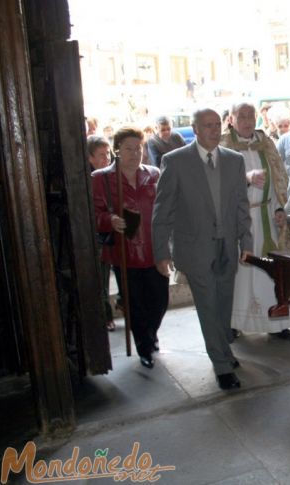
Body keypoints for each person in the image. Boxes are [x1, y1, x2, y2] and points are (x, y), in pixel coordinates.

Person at [152, 108, 253, 391]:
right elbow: (162, 211)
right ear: (194, 129)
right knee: (208, 306)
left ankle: (223, 349)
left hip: (228, 246)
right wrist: (161, 252)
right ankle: (222, 365)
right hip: (194, 249)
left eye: (217, 124)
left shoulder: (234, 161)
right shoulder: (175, 161)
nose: (213, 130)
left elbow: (241, 205)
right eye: (207, 125)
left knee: (223, 305)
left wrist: (246, 242)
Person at [92, 127, 169, 369]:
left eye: (139, 148)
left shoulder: (154, 174)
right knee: (135, 304)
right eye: (129, 148)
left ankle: (150, 332)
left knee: (160, 300)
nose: (135, 153)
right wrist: (110, 220)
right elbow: (93, 215)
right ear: (117, 150)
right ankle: (144, 347)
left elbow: (166, 208)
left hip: (155, 249)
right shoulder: (101, 179)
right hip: (125, 252)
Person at [219, 102, 290, 341]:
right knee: (240, 274)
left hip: (265, 216)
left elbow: (280, 178)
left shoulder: (266, 143)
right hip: (238, 220)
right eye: (241, 116)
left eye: (251, 115)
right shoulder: (223, 145)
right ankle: (233, 322)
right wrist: (246, 179)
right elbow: (217, 183)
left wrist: (281, 208)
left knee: (270, 270)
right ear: (231, 119)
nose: (247, 120)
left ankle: (276, 323)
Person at [87, 135, 115, 331]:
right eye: (101, 155)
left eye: (108, 154)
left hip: (114, 234)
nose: (106, 159)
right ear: (90, 158)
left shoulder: (109, 177)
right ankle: (106, 316)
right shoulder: (89, 180)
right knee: (100, 280)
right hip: (98, 238)